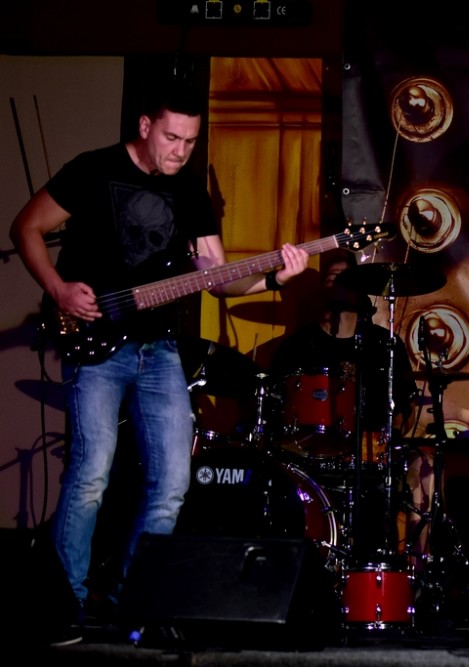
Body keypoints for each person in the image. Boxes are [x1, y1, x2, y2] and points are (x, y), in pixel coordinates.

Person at [8, 79, 309, 625]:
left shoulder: (190, 193)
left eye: (190, 141)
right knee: (91, 473)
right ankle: (65, 603)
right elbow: (26, 227)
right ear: (145, 127)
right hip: (95, 342)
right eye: (172, 138)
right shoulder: (93, 168)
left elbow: (218, 279)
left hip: (159, 349)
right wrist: (58, 288)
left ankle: (135, 604)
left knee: (172, 482)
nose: (180, 150)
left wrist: (273, 277)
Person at [268, 249, 427, 564]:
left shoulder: (384, 345)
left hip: (370, 458)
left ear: (360, 288)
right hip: (306, 459)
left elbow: (405, 406)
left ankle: (414, 573)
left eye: (346, 277)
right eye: (331, 277)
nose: (338, 283)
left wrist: (388, 437)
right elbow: (273, 411)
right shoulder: (296, 346)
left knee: (425, 470)